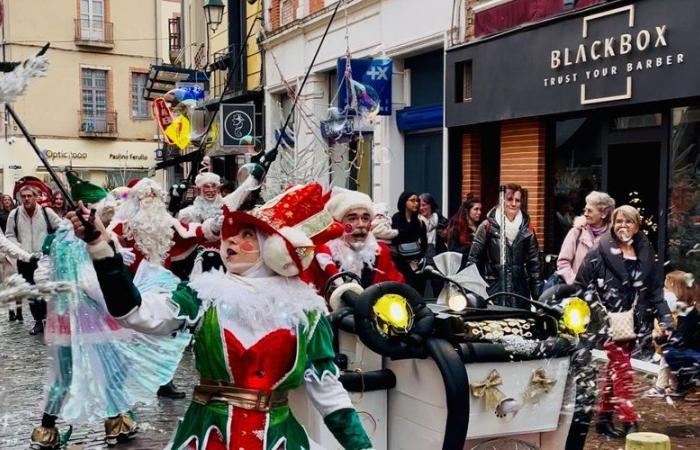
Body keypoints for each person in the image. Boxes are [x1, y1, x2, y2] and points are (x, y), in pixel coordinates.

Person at [67, 180, 374, 450]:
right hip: (206, 437)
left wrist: (361, 447)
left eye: (247, 236)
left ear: (276, 248)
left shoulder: (307, 312)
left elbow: (329, 394)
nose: (231, 242)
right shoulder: (203, 294)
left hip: (278, 438)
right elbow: (135, 313)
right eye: (230, 235)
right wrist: (99, 246)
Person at [29, 174, 189, 449]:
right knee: (113, 369)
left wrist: (58, 296)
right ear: (91, 208)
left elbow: (43, 276)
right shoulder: (86, 239)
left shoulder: (55, 240)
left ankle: (47, 428)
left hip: (64, 320)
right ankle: (116, 424)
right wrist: (118, 305)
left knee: (62, 374)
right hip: (97, 317)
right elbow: (93, 282)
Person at [576, 205, 673, 437]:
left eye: (628, 222)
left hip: (634, 323)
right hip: (608, 323)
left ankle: (603, 419)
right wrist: (593, 311)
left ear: (637, 226)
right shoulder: (600, 252)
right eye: (619, 221)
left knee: (615, 370)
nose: (623, 226)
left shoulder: (646, 256)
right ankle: (629, 420)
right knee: (623, 369)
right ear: (612, 224)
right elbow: (580, 286)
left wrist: (666, 319)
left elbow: (655, 292)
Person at [310, 190, 404, 303]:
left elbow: (397, 286)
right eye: (352, 218)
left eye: (365, 218)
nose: (361, 224)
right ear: (339, 223)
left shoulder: (380, 252)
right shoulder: (322, 255)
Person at [467, 184, 542, 308]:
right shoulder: (486, 227)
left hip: (520, 295)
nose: (513, 204)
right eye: (509, 199)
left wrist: (537, 296)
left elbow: (534, 265)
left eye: (517, 200)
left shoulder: (528, 229)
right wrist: (476, 292)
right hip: (493, 293)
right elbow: (473, 261)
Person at [5, 182, 62, 335]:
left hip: (44, 259)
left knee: (46, 290)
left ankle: (49, 320)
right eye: (23, 197)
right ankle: (38, 321)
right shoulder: (14, 214)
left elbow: (61, 229)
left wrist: (51, 244)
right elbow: (9, 235)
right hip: (25, 259)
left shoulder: (46, 212)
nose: (26, 199)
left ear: (36, 197)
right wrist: (20, 249)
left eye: (29, 196)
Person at [556, 191, 615, 284]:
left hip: (603, 294)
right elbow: (563, 262)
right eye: (585, 210)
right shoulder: (576, 232)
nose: (586, 214)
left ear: (604, 213)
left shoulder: (613, 237)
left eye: (590, 211)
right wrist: (574, 282)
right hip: (577, 292)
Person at [391, 191, 427, 293]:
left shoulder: (419, 222)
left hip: (415, 263)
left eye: (417, 201)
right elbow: (392, 240)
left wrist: (418, 257)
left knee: (416, 291)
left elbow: (424, 243)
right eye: (412, 200)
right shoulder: (395, 219)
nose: (416, 203)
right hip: (399, 262)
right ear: (404, 201)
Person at [1, 226, 35, 321]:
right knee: (10, 286)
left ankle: (17, 311)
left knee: (15, 285)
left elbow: (7, 244)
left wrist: (27, 257)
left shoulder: (13, 218)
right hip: (7, 260)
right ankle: (13, 311)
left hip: (13, 258)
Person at [418, 193, 447, 296]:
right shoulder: (416, 221)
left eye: (424, 205)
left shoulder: (441, 220)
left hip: (437, 256)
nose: (421, 208)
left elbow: (448, 238)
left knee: (438, 287)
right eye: (420, 205)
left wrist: (445, 235)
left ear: (431, 205)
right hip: (421, 256)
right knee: (419, 287)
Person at [446, 196, 482, 265]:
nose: (479, 212)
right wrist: (471, 247)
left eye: (480, 209)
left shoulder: (481, 226)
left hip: (480, 265)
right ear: (467, 210)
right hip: (464, 266)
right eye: (476, 209)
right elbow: (453, 252)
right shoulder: (457, 228)